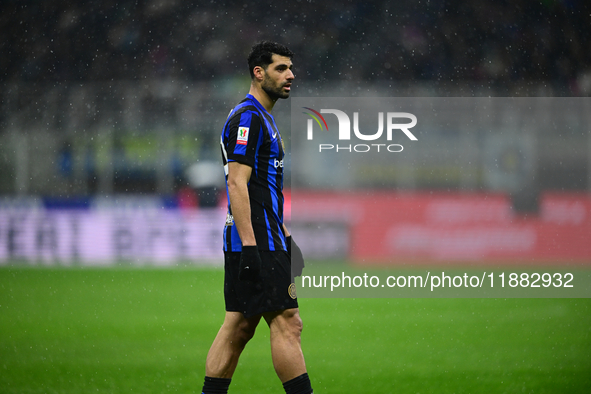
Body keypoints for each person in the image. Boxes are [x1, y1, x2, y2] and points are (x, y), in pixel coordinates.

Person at [201, 41, 312, 394]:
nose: (290, 75)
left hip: (265, 237)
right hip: (256, 242)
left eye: (291, 68)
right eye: (281, 68)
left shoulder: (263, 118)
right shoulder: (248, 117)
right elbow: (237, 182)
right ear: (258, 73)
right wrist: (252, 247)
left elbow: (264, 190)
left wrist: (286, 235)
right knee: (288, 323)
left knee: (238, 326)